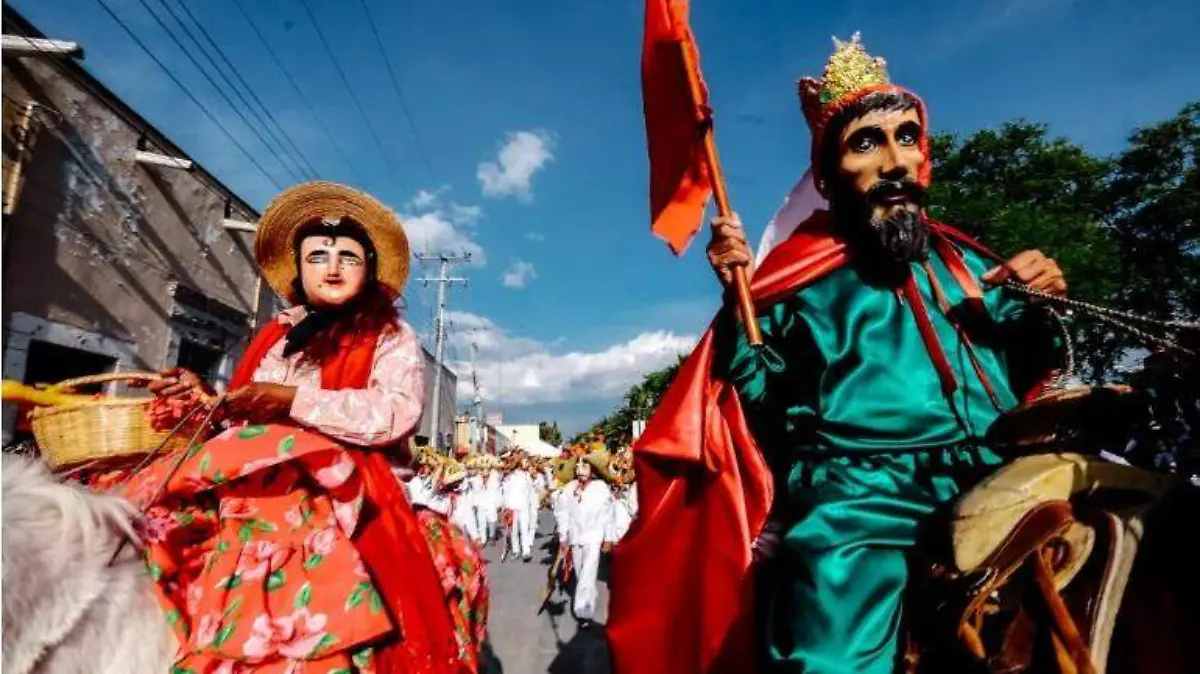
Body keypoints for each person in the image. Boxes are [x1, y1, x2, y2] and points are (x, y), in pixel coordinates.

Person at [608, 33, 1066, 674]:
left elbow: (1021, 373)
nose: (895, 161)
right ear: (828, 174)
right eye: (866, 143)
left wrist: (1039, 304)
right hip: (862, 499)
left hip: (996, 471)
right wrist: (738, 308)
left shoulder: (964, 264)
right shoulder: (803, 279)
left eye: (907, 137)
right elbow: (761, 405)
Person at [124, 182, 488, 673]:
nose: (332, 266)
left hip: (354, 483)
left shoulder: (390, 335)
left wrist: (291, 399)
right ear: (299, 268)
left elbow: (395, 412)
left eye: (347, 257)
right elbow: (240, 411)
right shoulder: (276, 336)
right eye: (318, 256)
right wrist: (202, 398)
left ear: (369, 270)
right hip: (256, 482)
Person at [561, 455, 616, 630]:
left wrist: (608, 537)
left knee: (587, 574)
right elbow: (562, 513)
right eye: (578, 466)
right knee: (579, 572)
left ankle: (584, 612)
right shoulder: (569, 488)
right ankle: (589, 596)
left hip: (594, 536)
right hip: (576, 537)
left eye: (584, 465)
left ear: (592, 470)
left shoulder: (601, 489)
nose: (580, 469)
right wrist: (564, 537)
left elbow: (609, 515)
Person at [501, 453, 536, 561]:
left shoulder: (526, 476)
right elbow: (505, 492)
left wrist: (532, 504)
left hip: (524, 506)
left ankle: (526, 551)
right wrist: (505, 506)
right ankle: (516, 550)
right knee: (514, 530)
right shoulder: (509, 477)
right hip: (512, 506)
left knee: (524, 528)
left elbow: (530, 491)